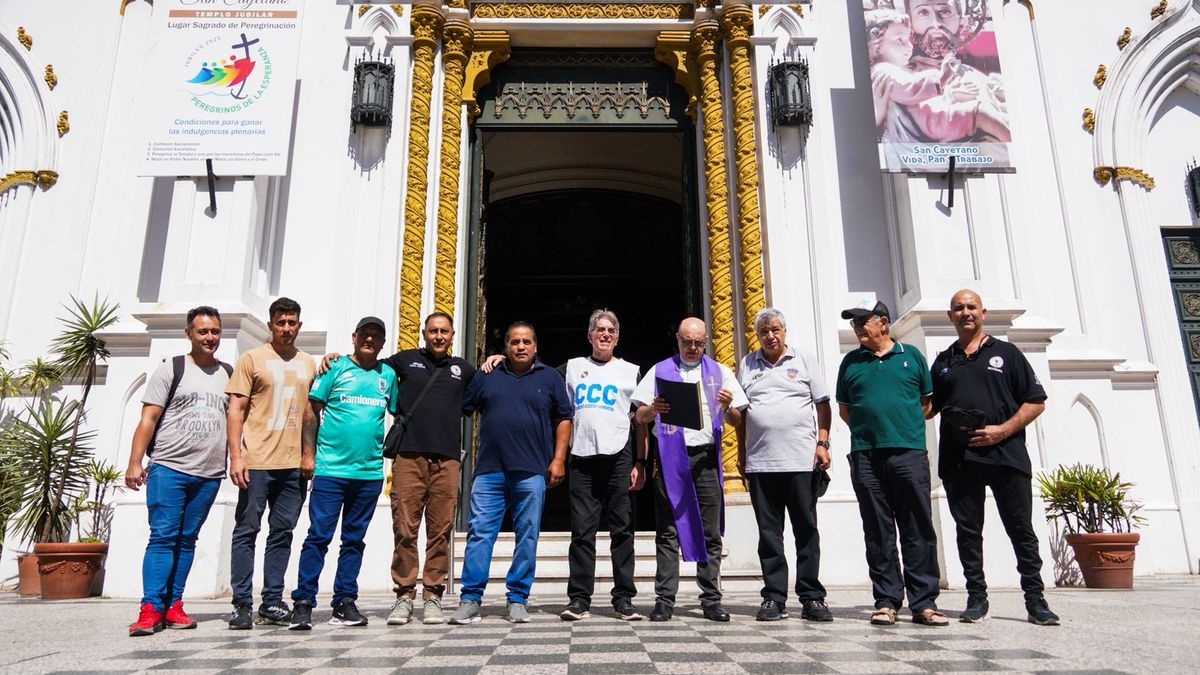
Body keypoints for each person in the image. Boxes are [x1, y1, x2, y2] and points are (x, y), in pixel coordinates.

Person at [322, 312, 477, 626]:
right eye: (432, 331)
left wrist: (496, 360)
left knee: (440, 531)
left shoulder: (463, 369)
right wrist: (335, 359)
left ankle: (432, 596)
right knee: (405, 528)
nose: (438, 336)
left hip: (446, 460)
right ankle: (404, 595)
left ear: (452, 335)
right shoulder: (403, 361)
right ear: (423, 333)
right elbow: (366, 362)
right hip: (408, 458)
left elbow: (484, 390)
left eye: (444, 331)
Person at [929, 289, 1060, 626]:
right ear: (950, 316)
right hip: (960, 461)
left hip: (1007, 456)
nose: (965, 312)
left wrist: (1002, 430)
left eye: (971, 306)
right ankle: (976, 597)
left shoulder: (1007, 353)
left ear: (983, 312)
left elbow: (1035, 401)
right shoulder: (943, 361)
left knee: (1021, 531)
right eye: (959, 308)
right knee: (968, 533)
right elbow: (928, 408)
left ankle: (1036, 600)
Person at [449, 322, 574, 624]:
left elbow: (564, 418)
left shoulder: (550, 378)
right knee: (480, 534)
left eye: (526, 342)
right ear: (505, 347)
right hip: (489, 471)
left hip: (531, 471)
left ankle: (517, 598)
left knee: (527, 536)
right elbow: (461, 404)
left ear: (535, 346)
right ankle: (470, 598)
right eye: (515, 342)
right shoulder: (488, 374)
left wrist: (559, 459)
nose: (521, 346)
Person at [835, 300, 947, 626]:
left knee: (917, 527)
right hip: (866, 455)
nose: (857, 327)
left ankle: (924, 603)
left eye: (863, 321)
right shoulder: (851, 362)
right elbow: (845, 410)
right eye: (854, 323)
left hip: (908, 452)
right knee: (877, 530)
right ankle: (886, 601)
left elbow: (926, 404)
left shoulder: (911, 356)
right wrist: (871, 431)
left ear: (883, 322)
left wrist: (900, 427)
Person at [632, 317, 748, 622]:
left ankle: (711, 599)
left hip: (705, 459)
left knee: (710, 530)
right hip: (671, 458)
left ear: (706, 342)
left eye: (698, 343)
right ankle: (664, 599)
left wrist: (728, 407)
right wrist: (653, 409)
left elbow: (737, 419)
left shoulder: (720, 372)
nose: (693, 348)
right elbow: (639, 416)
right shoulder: (660, 370)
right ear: (678, 340)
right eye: (687, 342)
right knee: (668, 531)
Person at [125, 306, 232, 636]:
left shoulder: (229, 373)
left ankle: (173, 605)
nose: (210, 337)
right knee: (163, 537)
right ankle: (150, 608)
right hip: (169, 467)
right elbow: (149, 418)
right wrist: (134, 462)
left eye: (215, 331)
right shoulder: (173, 368)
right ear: (189, 334)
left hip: (209, 473)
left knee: (187, 539)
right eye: (203, 331)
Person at [288, 317, 398, 630]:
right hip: (330, 470)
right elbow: (312, 409)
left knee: (353, 540)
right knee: (318, 536)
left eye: (376, 335)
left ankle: (344, 601)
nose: (370, 339)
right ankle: (303, 602)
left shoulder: (388, 375)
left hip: (369, 474)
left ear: (383, 342)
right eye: (365, 334)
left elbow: (400, 410)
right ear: (354, 337)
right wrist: (308, 454)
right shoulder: (334, 367)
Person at [736, 308, 834, 623]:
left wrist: (822, 443)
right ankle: (774, 598)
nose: (770, 336)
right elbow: (741, 414)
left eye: (775, 329)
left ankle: (812, 597)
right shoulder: (747, 364)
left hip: (801, 461)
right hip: (761, 463)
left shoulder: (804, 360)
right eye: (764, 331)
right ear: (757, 335)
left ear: (784, 330)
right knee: (769, 535)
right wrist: (741, 452)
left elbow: (823, 404)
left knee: (806, 531)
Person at [225, 297, 316, 629]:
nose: (286, 328)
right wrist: (236, 456)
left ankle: (272, 601)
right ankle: (241, 604)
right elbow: (235, 410)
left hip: (293, 465)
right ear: (270, 324)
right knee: (247, 530)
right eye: (281, 322)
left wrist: (308, 454)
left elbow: (310, 412)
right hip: (257, 461)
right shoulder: (251, 359)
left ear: (299, 325)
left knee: (282, 532)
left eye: (292, 323)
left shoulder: (308, 362)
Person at [559, 309, 647, 622]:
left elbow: (641, 420)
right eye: (600, 329)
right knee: (582, 533)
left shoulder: (631, 371)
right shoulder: (572, 368)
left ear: (617, 337)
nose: (605, 334)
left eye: (611, 330)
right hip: (582, 458)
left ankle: (623, 599)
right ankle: (579, 599)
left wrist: (641, 461)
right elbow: (537, 376)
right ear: (590, 335)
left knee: (622, 531)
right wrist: (501, 360)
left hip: (619, 457)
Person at [866, 9, 1009, 143]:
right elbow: (911, 88)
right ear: (877, 46)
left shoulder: (892, 71)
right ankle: (1014, 146)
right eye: (900, 40)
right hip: (931, 122)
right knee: (981, 113)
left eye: (908, 39)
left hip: (928, 119)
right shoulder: (884, 70)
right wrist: (942, 77)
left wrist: (950, 94)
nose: (909, 46)